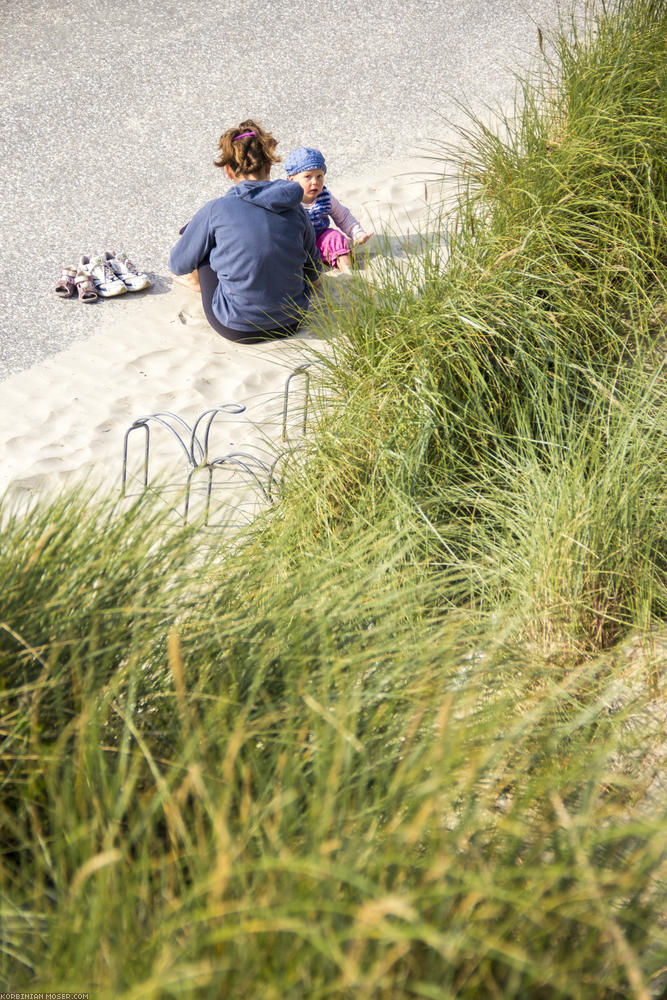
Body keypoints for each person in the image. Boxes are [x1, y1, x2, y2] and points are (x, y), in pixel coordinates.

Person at [169, 120, 322, 343]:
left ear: (229, 171)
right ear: (269, 166)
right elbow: (313, 270)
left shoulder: (216, 209)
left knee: (206, 242)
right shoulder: (295, 207)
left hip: (237, 328)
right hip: (293, 321)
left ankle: (197, 284)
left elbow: (178, 264)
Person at [285, 147, 373, 273]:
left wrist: (358, 233)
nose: (315, 182)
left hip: (320, 240)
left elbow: (343, 216)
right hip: (298, 244)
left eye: (319, 176)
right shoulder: (288, 199)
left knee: (335, 237)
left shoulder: (324, 196)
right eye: (308, 177)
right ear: (292, 179)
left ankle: (348, 272)